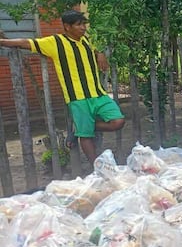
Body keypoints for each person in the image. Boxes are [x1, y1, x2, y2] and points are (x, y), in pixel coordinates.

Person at [0, 10, 125, 163]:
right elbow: (26, 43)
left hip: (99, 94)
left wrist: (100, 53)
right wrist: (2, 41)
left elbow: (98, 47)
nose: (83, 28)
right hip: (77, 98)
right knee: (86, 137)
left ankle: (78, 129)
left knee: (118, 122)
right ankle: (97, 167)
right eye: (79, 25)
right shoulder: (55, 42)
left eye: (84, 24)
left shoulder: (88, 40)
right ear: (67, 26)